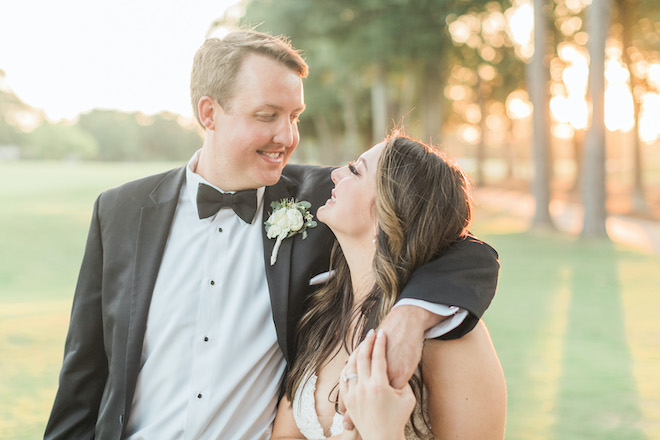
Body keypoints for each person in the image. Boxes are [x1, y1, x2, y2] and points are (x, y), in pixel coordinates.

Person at [44, 30, 500, 440]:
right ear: (210, 113)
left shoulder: (329, 199)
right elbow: (84, 377)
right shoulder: (120, 211)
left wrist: (411, 317)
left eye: (295, 115)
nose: (287, 136)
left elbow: (453, 244)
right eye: (267, 115)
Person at [271, 136, 506, 440]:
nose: (335, 173)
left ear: (386, 213)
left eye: (356, 171)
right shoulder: (322, 310)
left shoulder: (447, 336)